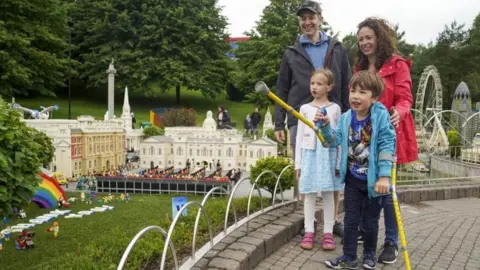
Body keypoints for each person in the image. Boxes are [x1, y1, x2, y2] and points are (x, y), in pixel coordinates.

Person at [274, 0, 351, 239]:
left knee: (333, 168)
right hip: (301, 115)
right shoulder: (291, 52)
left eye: (311, 17)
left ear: (320, 18)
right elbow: (282, 87)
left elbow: (347, 83)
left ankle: (333, 221)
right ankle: (307, 223)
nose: (307, 22)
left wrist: (349, 120)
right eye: (303, 18)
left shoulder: (337, 48)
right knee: (303, 170)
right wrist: (279, 122)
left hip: (333, 115)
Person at [316, 71, 396, 269]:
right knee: (350, 221)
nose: (355, 96)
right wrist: (325, 126)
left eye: (362, 92)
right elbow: (332, 141)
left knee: (370, 222)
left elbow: (387, 145)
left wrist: (384, 177)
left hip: (373, 181)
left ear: (374, 97)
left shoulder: (380, 116)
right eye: (353, 91)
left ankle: (369, 255)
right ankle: (349, 257)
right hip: (352, 179)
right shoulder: (345, 118)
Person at [355, 17, 418, 265]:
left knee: (388, 189)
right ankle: (365, 229)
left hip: (389, 134)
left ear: (379, 38)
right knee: (362, 184)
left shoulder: (397, 64)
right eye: (360, 39)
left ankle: (391, 240)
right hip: (364, 134)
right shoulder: (359, 68)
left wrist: (398, 113)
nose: (364, 43)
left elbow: (405, 98)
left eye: (369, 37)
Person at [295, 69, 342, 250]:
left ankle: (328, 233)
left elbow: (338, 137)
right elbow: (299, 137)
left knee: (329, 194)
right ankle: (309, 231)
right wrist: (298, 163)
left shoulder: (335, 109)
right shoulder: (305, 109)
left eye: (319, 84)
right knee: (309, 195)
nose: (314, 87)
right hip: (310, 155)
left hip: (329, 156)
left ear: (329, 87)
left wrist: (338, 163)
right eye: (312, 83)